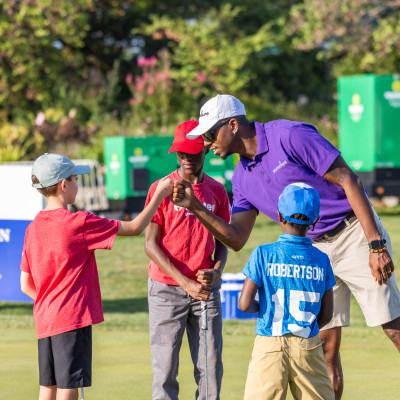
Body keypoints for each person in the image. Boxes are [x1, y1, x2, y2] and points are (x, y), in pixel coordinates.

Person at [172, 94, 400, 399]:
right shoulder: (241, 177)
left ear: (234, 124)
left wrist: (375, 245)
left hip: (353, 233)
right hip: (313, 253)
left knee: (393, 326)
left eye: (211, 133)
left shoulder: (289, 135)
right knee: (324, 350)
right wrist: (196, 207)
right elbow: (238, 238)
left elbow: (349, 179)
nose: (208, 143)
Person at [20, 153, 172, 400]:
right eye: (75, 178)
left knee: (48, 387)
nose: (77, 184)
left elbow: (25, 284)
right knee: (68, 388)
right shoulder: (78, 222)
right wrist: (159, 194)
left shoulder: (32, 227)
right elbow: (134, 228)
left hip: (45, 320)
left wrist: (51, 303)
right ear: (63, 185)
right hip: (70, 320)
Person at [144, 120, 230, 400]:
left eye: (192, 152)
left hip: (206, 291)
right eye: (181, 153)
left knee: (210, 369)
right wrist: (184, 282)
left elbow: (224, 242)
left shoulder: (217, 192)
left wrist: (217, 272)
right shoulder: (162, 188)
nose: (186, 158)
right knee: (165, 371)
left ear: (205, 148)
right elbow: (150, 245)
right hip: (166, 289)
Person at [238, 182, 335, 400]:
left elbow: (244, 304)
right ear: (315, 221)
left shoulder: (263, 254)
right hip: (307, 344)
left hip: (269, 343)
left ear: (280, 216)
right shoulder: (322, 260)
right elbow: (327, 315)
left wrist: (264, 307)